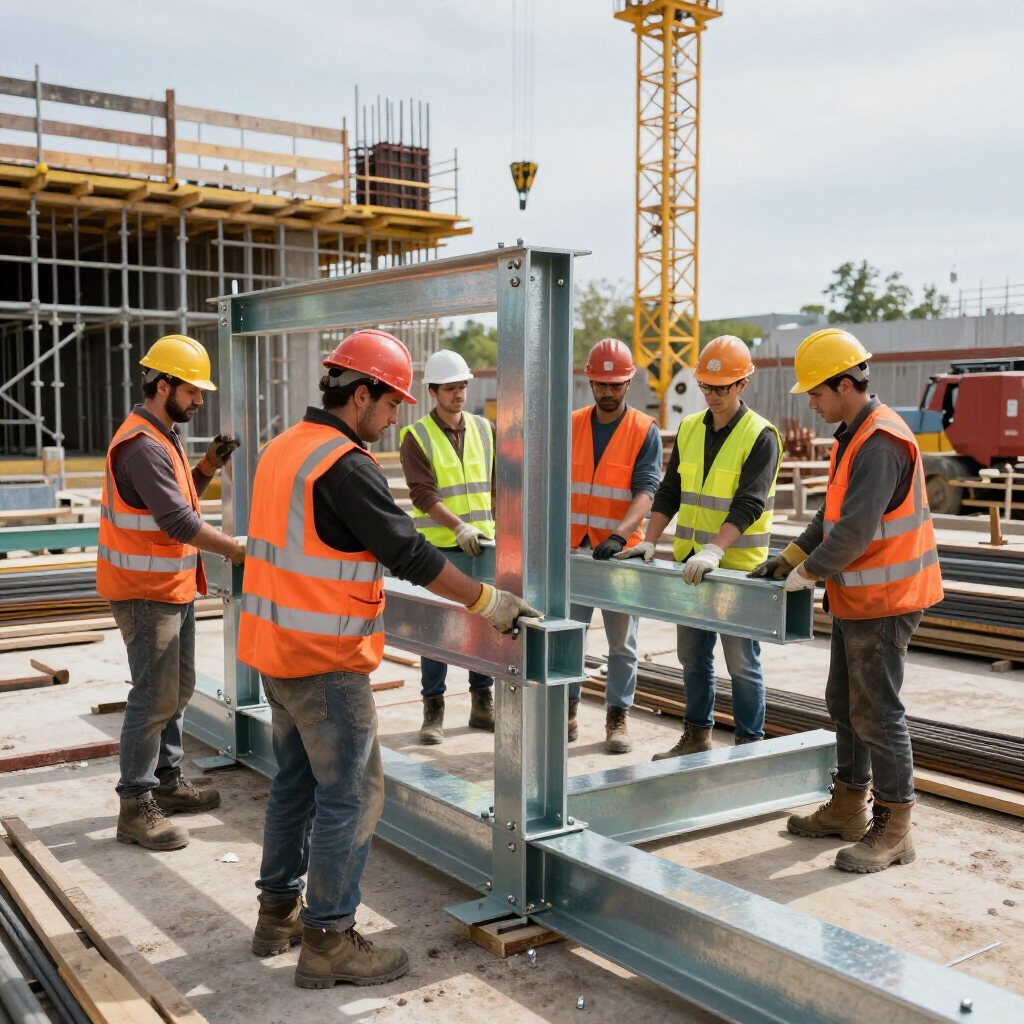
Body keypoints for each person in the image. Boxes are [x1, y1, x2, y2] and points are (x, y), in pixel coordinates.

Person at [238, 330, 540, 988]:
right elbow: (409, 554)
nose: (398, 413)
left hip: (273, 651)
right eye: (392, 400)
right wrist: (487, 600)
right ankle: (328, 940)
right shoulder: (344, 464)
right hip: (325, 661)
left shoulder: (282, 449)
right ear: (362, 393)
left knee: (295, 785)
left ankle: (277, 916)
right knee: (353, 794)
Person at [752, 328, 942, 873]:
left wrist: (807, 573)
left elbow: (854, 533)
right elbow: (829, 517)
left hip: (886, 599)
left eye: (815, 393)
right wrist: (789, 557)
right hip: (858, 597)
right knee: (844, 703)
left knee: (877, 713)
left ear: (843, 385)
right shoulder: (853, 435)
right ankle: (847, 807)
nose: (810, 403)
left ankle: (895, 827)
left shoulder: (881, 443)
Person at [97, 334, 245, 852]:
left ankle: (166, 780)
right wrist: (237, 551)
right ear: (164, 386)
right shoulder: (140, 444)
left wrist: (206, 467)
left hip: (170, 586)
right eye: (192, 391)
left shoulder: (163, 435)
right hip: (144, 591)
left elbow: (176, 501)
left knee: (176, 691)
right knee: (152, 696)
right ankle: (135, 805)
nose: (200, 400)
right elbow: (180, 522)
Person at [617, 336, 782, 758]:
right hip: (690, 566)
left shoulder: (761, 436)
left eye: (721, 388)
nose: (711, 396)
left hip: (737, 569)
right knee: (693, 658)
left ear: (743, 384)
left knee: (742, 664)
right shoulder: (690, 428)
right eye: (706, 387)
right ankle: (697, 736)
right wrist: (650, 541)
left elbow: (750, 502)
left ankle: (748, 747)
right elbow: (669, 491)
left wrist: (716, 551)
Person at [568, 339, 661, 753]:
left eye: (616, 385)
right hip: (572, 549)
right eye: (601, 384)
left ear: (629, 382)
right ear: (589, 379)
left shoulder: (644, 430)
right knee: (567, 636)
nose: (608, 392)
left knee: (622, 642)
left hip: (620, 553)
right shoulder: (569, 424)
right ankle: (565, 708)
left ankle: (617, 717)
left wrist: (621, 534)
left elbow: (647, 490)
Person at [399, 349, 496, 744]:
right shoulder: (416, 436)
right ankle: (433, 709)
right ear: (433, 392)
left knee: (485, 626)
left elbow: (498, 486)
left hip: (484, 546)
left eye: (462, 387)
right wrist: (458, 528)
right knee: (436, 630)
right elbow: (422, 494)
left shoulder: (486, 429)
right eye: (451, 388)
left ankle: (481, 701)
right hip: (440, 547)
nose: (459, 394)